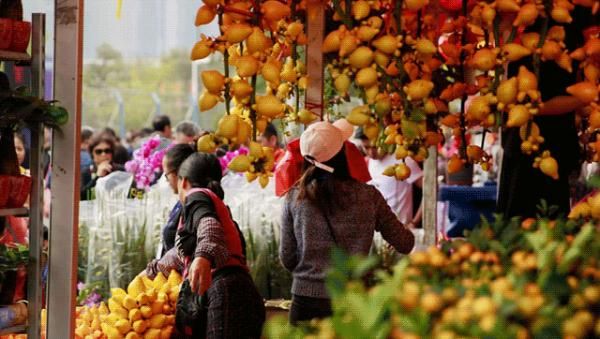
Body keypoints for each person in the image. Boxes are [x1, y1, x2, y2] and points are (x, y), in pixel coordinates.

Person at [280, 121, 415, 324]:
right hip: (352, 302)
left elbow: (287, 258)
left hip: (305, 303)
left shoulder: (294, 198)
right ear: (343, 153)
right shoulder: (368, 196)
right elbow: (405, 243)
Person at [145, 153, 265, 338]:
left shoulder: (196, 196)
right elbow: (178, 255)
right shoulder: (215, 206)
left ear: (182, 181)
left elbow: (208, 225)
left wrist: (203, 257)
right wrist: (150, 273)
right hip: (237, 293)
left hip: (227, 293)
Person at [497, 6, 596, 218]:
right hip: (531, 150)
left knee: (535, 231)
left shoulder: (571, 19)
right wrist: (587, 97)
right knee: (531, 229)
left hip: (549, 147)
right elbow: (534, 103)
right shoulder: (533, 27)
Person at [355, 128, 424, 228]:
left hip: (400, 230)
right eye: (366, 147)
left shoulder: (402, 160)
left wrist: (414, 222)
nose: (371, 152)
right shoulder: (369, 162)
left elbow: (429, 190)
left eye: (375, 147)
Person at [156, 143, 196, 258]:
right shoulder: (182, 202)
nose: (166, 180)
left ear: (178, 173)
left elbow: (182, 252)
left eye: (166, 174)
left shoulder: (193, 205)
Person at [80, 134, 124, 200]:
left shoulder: (121, 171)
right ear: (92, 154)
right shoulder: (86, 172)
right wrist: (98, 176)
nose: (103, 154)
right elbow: (83, 197)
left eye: (107, 151)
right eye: (98, 151)